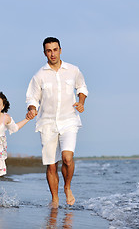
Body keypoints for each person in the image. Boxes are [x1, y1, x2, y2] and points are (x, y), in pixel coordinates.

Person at [26, 37, 88, 208]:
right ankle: (55, 198)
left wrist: (81, 102)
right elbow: (32, 97)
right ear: (44, 53)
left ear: (60, 50)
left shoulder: (73, 70)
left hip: (69, 120)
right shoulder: (39, 75)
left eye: (55, 49)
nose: (52, 53)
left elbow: (82, 88)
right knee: (51, 165)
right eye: (48, 50)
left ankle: (67, 187)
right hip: (47, 123)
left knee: (67, 158)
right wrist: (32, 108)